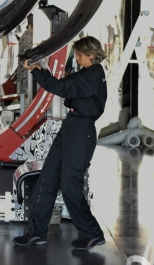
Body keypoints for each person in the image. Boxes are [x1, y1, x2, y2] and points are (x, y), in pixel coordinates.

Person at [14, 36, 107, 251]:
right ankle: (37, 232)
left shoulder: (93, 74)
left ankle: (92, 233)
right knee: (47, 179)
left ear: (92, 55)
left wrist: (36, 71)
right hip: (71, 126)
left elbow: (60, 87)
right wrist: (39, 68)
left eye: (80, 55)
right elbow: (64, 85)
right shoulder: (87, 73)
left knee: (69, 185)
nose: (77, 58)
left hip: (81, 131)